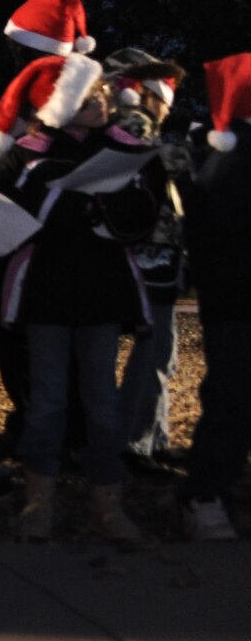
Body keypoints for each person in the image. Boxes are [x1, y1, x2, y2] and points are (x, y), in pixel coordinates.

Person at [0, 53, 154, 542]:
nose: (100, 100)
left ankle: (108, 503)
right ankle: (39, 502)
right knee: (47, 402)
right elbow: (15, 220)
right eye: (87, 93)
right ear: (59, 102)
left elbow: (140, 217)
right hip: (46, 296)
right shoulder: (26, 154)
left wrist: (102, 204)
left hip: (101, 296)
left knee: (103, 402)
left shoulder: (127, 147)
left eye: (103, 91)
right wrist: (78, 204)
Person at [100, 49, 189, 468]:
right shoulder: (131, 124)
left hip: (150, 253)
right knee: (154, 349)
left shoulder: (131, 123)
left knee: (161, 351)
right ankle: (134, 443)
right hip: (148, 255)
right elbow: (157, 164)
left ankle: (152, 437)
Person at [179, 53, 251, 541]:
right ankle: (205, 495)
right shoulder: (228, 151)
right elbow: (216, 231)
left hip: (233, 298)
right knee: (233, 397)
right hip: (238, 301)